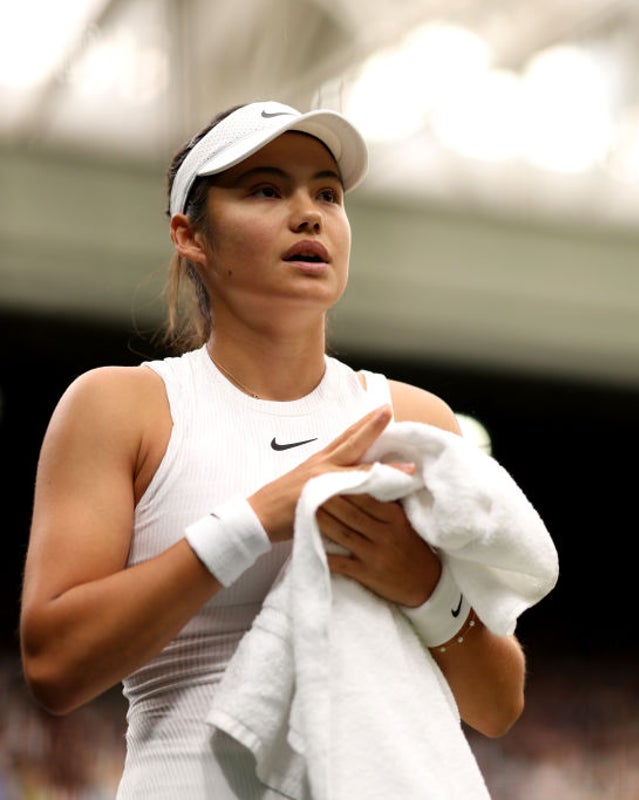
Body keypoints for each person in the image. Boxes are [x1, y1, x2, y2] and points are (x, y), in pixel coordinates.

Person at [19, 100, 529, 797]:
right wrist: (256, 519)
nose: (309, 214)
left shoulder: (413, 419)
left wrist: (423, 585)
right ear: (190, 235)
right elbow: (54, 667)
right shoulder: (120, 406)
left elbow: (498, 706)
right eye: (265, 190)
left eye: (328, 193)